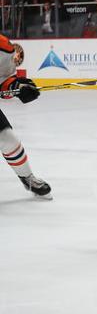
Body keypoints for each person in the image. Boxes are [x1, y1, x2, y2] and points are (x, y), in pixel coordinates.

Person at [0, 35, 52, 199]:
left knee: (8, 139)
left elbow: (4, 81)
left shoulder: (3, 46)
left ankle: (27, 178)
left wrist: (18, 87)